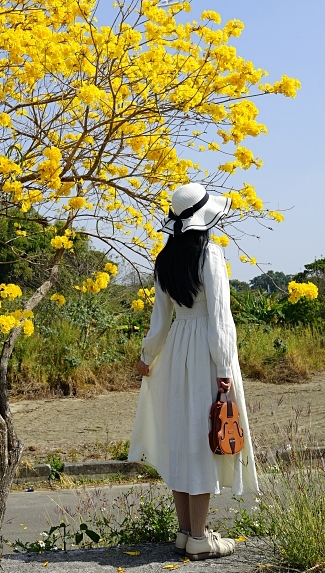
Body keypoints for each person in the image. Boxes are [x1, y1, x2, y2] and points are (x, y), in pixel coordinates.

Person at [128, 183, 258, 561]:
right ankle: (200, 538)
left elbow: (159, 320)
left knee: (183, 437)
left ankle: (186, 532)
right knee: (204, 439)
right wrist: (223, 369)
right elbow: (220, 320)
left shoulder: (165, 258)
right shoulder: (210, 255)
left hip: (175, 349)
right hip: (204, 351)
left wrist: (147, 356)